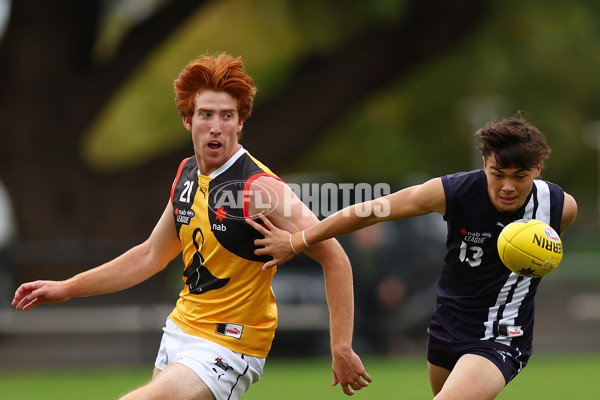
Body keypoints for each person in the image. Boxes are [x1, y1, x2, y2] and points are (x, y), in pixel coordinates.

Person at [12, 53, 371, 400]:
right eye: (206, 114)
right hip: (181, 330)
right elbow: (149, 255)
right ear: (188, 119)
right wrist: (68, 288)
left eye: (227, 116)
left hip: (229, 345)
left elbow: (335, 258)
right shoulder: (187, 175)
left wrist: (340, 346)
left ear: (241, 122)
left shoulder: (260, 188)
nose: (216, 126)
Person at [248, 116, 578, 400]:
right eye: (498, 173)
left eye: (519, 176)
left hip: (501, 335)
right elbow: (370, 211)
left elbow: (542, 255)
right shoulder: (454, 192)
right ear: (484, 163)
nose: (507, 186)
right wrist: (299, 239)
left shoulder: (560, 208)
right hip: (447, 325)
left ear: (537, 169)